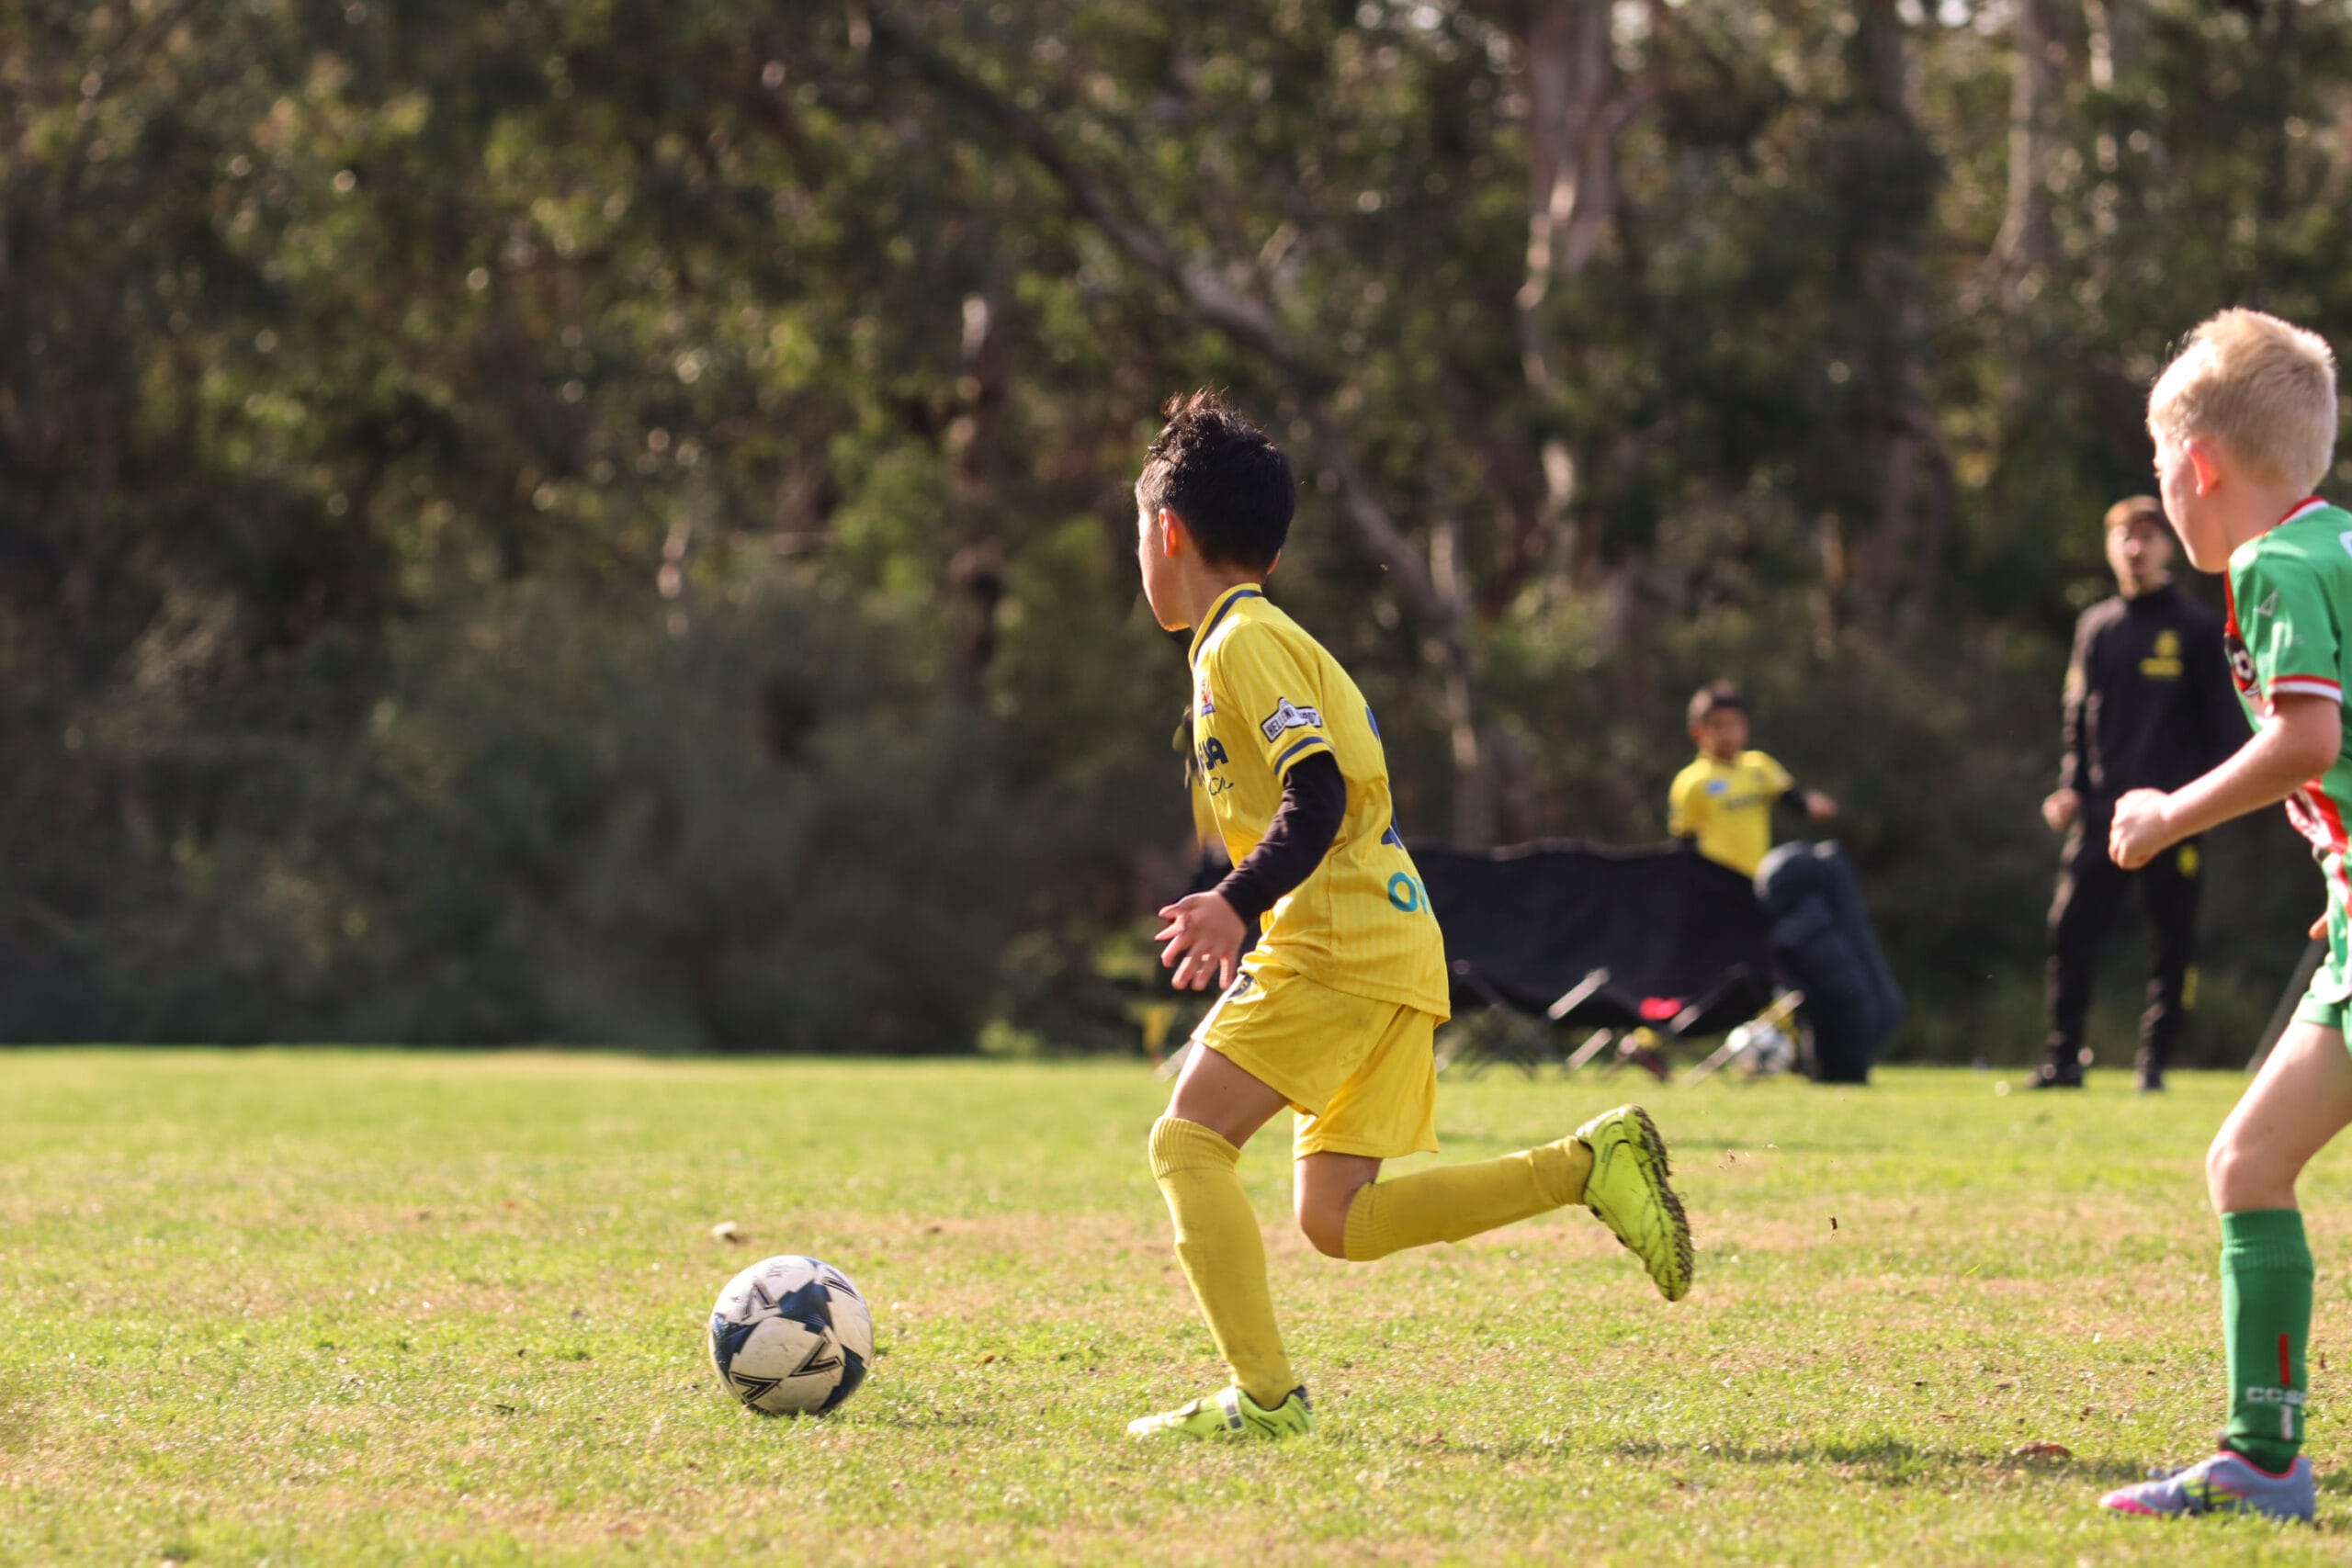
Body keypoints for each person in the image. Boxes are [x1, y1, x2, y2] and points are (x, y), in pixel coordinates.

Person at [1129, 390, 1693, 1441]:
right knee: (1336, 1220)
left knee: (1187, 1143)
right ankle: (1585, 1165)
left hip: (1335, 941)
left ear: (1167, 531)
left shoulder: (1237, 643)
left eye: (1138, 534)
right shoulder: (1259, 635)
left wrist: (1233, 902)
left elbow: (1317, 797)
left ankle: (1265, 1403)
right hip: (1390, 938)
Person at [2094, 309, 2343, 1522]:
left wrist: (2161, 815)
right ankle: (2264, 1457)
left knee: (2248, 1161)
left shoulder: (2272, 566)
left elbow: (2307, 737)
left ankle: (2265, 1458)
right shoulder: (2339, 544)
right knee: (2248, 1157)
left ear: (2197, 465)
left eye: (2158, 475)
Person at [2034, 497, 2242, 1091]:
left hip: (2173, 816)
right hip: (2101, 814)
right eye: (2125, 535)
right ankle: (2063, 1059)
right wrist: (2071, 788)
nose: (2135, 547)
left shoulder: (2199, 629)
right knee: (2070, 931)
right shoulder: (2096, 627)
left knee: (2171, 941)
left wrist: (2194, 804)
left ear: (2168, 546)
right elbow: (2078, 716)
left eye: (2147, 535)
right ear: (2110, 545)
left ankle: (2154, 1063)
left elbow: (2224, 731)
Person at [1668, 683, 1837, 880]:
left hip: (1760, 881)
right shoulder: (1690, 781)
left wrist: (1814, 805)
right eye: (1718, 725)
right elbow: (1683, 846)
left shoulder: (1759, 765)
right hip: (1716, 889)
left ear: (1745, 726)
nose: (1728, 733)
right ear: (1697, 731)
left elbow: (1792, 797)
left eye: (1734, 724)